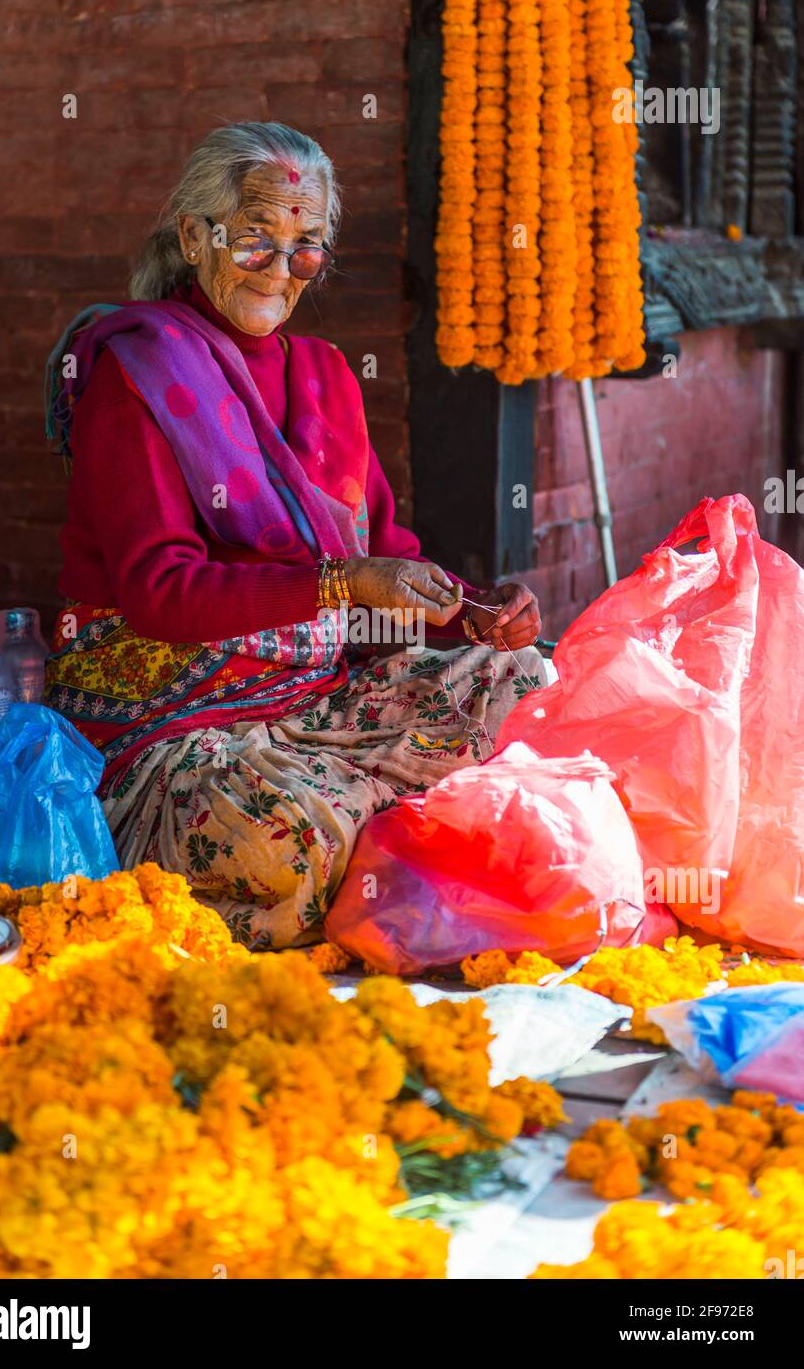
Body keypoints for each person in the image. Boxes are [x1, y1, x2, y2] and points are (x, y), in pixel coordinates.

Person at [45, 121, 546, 948]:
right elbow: (160, 590)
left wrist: (474, 613)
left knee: (521, 679)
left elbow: (384, 546)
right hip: (170, 729)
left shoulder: (322, 375)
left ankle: (392, 838)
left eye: (306, 245)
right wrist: (341, 584)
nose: (282, 270)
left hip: (304, 702)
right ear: (194, 237)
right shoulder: (136, 374)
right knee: (301, 838)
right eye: (255, 241)